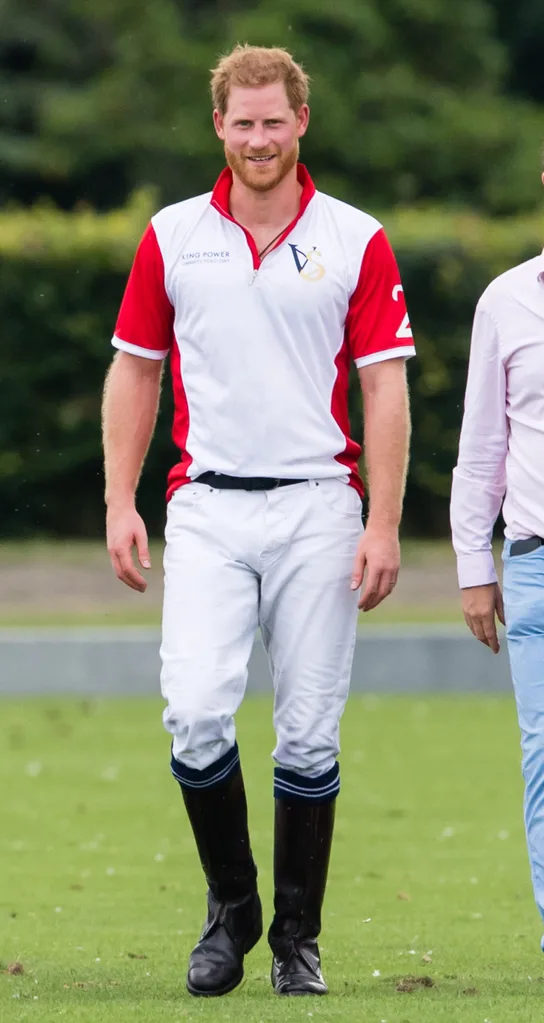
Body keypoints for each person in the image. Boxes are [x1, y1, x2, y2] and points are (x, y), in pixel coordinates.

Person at [102, 44, 414, 998]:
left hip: (322, 506)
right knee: (196, 711)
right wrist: (119, 499)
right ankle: (234, 907)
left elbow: (385, 388)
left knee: (309, 735)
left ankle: (296, 942)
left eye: (275, 120)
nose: (260, 138)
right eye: (243, 122)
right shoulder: (173, 234)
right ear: (219, 127)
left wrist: (385, 522)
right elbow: (136, 369)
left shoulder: (357, 237)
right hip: (206, 506)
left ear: (301, 121)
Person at [450, 164, 544, 950]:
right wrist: (474, 567)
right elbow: (482, 447)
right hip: (534, 563)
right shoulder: (506, 300)